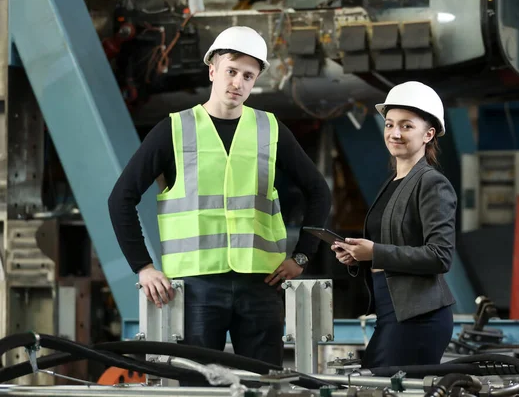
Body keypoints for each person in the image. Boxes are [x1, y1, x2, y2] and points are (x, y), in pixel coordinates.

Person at [108, 25, 332, 377]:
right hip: (196, 289)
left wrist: (302, 256)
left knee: (263, 383)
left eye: (248, 75)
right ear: (212, 69)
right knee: (198, 385)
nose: (237, 83)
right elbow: (120, 198)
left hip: (261, 284)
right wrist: (143, 266)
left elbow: (319, 191)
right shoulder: (174, 129)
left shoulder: (270, 129)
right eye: (231, 71)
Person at [331, 81, 456, 368]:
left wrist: (375, 253)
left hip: (419, 317)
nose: (395, 133)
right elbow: (390, 246)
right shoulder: (392, 182)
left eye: (406, 126)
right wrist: (357, 256)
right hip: (391, 311)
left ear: (429, 134)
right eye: (389, 125)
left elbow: (440, 255)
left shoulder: (432, 183)